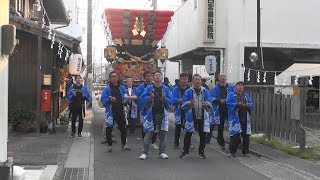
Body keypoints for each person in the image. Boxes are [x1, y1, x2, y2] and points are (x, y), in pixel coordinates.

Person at [139, 71, 172, 160]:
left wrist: (165, 99)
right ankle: (144, 152)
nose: (158, 77)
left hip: (162, 114)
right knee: (148, 134)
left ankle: (162, 152)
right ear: (153, 77)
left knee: (163, 134)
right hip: (151, 114)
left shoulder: (166, 88)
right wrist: (150, 97)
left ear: (162, 77)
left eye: (159, 75)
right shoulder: (149, 88)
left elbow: (170, 100)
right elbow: (142, 98)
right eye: (156, 75)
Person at [179, 74, 211, 159]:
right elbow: (183, 104)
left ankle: (201, 152)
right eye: (196, 80)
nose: (197, 81)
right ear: (192, 81)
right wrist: (189, 103)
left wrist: (207, 104)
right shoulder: (188, 91)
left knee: (203, 135)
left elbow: (210, 102)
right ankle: (185, 152)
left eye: (199, 80)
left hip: (202, 116)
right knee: (188, 134)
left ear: (201, 81)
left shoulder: (205, 91)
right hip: (190, 116)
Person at [100, 72, 131, 152]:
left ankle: (124, 145)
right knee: (109, 129)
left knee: (123, 129)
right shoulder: (107, 89)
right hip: (110, 111)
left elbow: (126, 96)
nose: (115, 78)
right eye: (113, 76)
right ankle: (110, 146)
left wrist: (125, 101)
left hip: (120, 111)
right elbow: (103, 99)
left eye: (116, 76)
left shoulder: (122, 88)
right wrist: (109, 99)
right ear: (110, 79)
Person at [226, 81, 253, 157]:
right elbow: (228, 103)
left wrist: (248, 105)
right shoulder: (231, 95)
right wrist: (237, 104)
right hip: (235, 118)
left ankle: (246, 152)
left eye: (242, 85)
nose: (240, 87)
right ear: (235, 87)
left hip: (245, 117)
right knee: (235, 135)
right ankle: (232, 152)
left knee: (246, 135)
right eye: (239, 85)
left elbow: (251, 104)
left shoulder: (246, 96)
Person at [207, 73, 234, 147]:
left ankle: (234, 141)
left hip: (229, 109)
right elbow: (212, 98)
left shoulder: (231, 87)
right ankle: (220, 140)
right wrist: (220, 101)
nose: (223, 78)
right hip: (219, 109)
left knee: (232, 124)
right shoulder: (216, 88)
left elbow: (235, 96)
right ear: (218, 78)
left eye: (224, 76)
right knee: (220, 125)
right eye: (221, 76)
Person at [136, 71, 159, 150]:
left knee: (155, 126)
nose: (148, 77)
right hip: (145, 109)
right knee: (145, 126)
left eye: (150, 75)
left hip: (155, 109)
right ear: (144, 78)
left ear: (152, 77)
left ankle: (153, 142)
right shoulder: (141, 87)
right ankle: (144, 141)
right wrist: (148, 99)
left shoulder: (156, 85)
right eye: (147, 76)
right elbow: (139, 97)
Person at [171, 73, 190, 149]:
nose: (184, 80)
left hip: (188, 111)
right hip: (179, 111)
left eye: (186, 79)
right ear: (180, 79)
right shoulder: (175, 89)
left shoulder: (190, 89)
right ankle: (176, 143)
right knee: (178, 127)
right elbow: (172, 100)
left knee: (188, 127)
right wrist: (180, 100)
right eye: (183, 79)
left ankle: (188, 143)